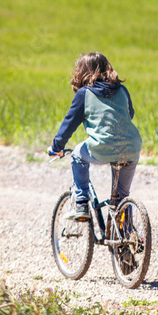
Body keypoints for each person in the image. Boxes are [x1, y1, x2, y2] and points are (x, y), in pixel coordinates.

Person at [47, 51, 142, 220]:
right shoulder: (122, 89)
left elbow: (69, 123)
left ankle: (82, 204)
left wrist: (56, 147)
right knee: (122, 197)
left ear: (81, 72)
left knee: (77, 154)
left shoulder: (84, 93)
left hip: (102, 147)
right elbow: (130, 114)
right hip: (131, 147)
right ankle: (127, 238)